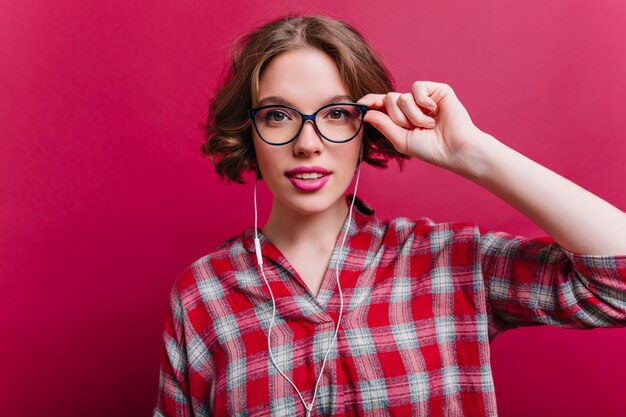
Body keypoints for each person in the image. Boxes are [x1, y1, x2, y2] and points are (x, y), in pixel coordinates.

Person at [153, 14, 626, 417]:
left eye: (336, 113)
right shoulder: (204, 295)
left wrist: (472, 152)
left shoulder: (447, 262)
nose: (307, 143)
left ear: (368, 124)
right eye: (278, 115)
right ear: (250, 130)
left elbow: (617, 286)